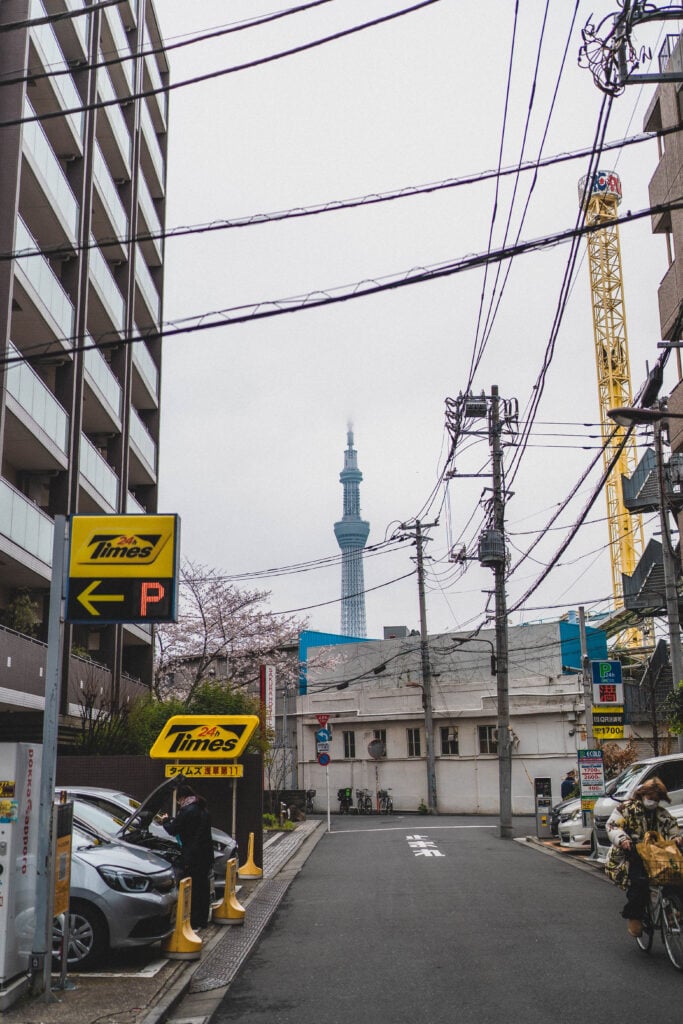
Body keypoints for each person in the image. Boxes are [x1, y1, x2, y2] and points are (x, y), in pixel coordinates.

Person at [605, 776, 683, 937]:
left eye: (657, 799)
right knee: (639, 884)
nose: (653, 802)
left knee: (675, 878)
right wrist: (623, 839)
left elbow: (673, 828)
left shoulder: (662, 814)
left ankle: (672, 911)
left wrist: (676, 838)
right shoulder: (626, 809)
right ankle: (635, 919)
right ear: (642, 794)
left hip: (657, 856)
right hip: (631, 854)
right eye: (650, 798)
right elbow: (612, 826)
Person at [160, 784, 215, 930]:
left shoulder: (187, 810)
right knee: (203, 889)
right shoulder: (202, 808)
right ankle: (202, 920)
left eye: (178, 801)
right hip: (206, 855)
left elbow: (173, 829)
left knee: (194, 890)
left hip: (193, 856)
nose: (179, 804)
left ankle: (194, 921)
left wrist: (165, 821)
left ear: (182, 798)